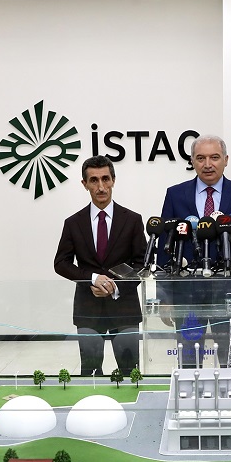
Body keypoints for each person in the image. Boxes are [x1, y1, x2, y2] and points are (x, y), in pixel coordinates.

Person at [157, 135, 231, 366]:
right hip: (186, 297)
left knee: (230, 362)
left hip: (229, 296)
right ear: (192, 161)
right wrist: (165, 298)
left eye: (214, 157)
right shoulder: (175, 195)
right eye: (200, 158)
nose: (208, 164)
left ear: (225, 160)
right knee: (188, 362)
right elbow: (164, 248)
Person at [54, 155, 147, 376]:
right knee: (90, 373)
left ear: (113, 180)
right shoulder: (73, 223)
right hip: (88, 308)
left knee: (129, 373)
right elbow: (61, 263)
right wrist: (93, 279)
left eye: (105, 179)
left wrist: (116, 287)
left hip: (124, 307)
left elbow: (142, 264)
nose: (101, 186)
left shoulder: (132, 220)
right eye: (94, 180)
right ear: (84, 184)